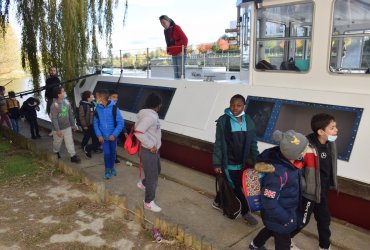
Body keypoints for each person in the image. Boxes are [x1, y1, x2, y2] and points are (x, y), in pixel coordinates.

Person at [249, 130, 309, 250]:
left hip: (284, 211)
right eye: (304, 150)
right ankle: (255, 245)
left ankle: (255, 245)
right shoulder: (278, 174)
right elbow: (268, 202)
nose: (306, 152)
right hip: (280, 216)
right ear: (294, 153)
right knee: (283, 244)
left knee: (270, 229)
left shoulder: (292, 163)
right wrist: (286, 218)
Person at [290, 113, 338, 250]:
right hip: (309, 192)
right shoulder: (305, 146)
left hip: (322, 191)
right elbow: (295, 168)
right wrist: (304, 186)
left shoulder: (331, 143)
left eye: (335, 127)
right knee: (302, 221)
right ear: (321, 131)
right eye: (332, 128)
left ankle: (324, 246)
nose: (336, 130)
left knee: (324, 220)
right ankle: (286, 239)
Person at [212, 94, 259, 225]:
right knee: (237, 187)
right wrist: (216, 162)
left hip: (241, 163)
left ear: (244, 106)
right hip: (228, 163)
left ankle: (217, 202)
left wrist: (257, 162)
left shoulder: (248, 121)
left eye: (238, 105)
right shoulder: (223, 121)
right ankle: (245, 212)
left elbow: (253, 144)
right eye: (232, 105)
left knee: (230, 185)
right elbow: (218, 144)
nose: (235, 108)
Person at [135, 93, 162, 212]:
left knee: (157, 170)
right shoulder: (150, 116)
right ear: (158, 105)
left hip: (152, 150)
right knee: (153, 177)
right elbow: (138, 132)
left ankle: (143, 184)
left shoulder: (149, 114)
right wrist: (151, 145)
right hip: (149, 150)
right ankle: (148, 202)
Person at [94, 89, 124, 180]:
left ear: (102, 98)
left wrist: (114, 134)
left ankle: (112, 167)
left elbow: (121, 123)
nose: (96, 98)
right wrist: (99, 135)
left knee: (113, 153)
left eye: (97, 97)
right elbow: (95, 123)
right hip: (103, 137)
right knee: (106, 153)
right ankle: (107, 169)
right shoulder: (97, 109)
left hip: (112, 137)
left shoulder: (114, 108)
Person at [50, 87, 81, 163]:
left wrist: (73, 125)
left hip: (67, 127)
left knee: (69, 141)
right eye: (63, 92)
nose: (64, 93)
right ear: (59, 95)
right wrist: (57, 130)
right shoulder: (54, 105)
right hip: (58, 129)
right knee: (57, 142)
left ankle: (73, 156)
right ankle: (56, 151)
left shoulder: (67, 102)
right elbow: (54, 119)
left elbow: (70, 114)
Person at [159, 15, 188, 79]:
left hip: (181, 53)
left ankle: (182, 86)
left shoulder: (176, 27)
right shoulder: (165, 31)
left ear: (168, 20)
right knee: (175, 72)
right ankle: (177, 86)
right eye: (161, 23)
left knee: (181, 72)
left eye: (163, 22)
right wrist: (169, 51)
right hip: (174, 53)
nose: (162, 24)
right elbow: (168, 42)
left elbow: (185, 39)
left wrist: (182, 51)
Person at [79, 90, 100, 158]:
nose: (93, 96)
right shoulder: (83, 105)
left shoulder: (92, 103)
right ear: (88, 98)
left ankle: (94, 148)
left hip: (92, 124)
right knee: (87, 136)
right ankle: (84, 146)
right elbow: (81, 117)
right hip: (87, 125)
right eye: (92, 95)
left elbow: (95, 110)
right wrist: (84, 125)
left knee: (94, 136)